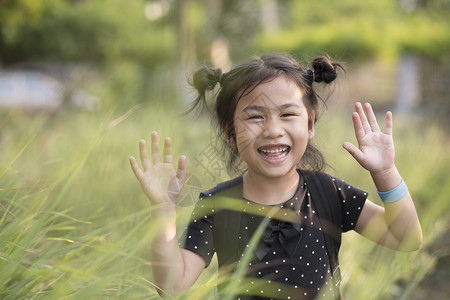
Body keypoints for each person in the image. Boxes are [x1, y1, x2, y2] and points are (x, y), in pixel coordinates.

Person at [129, 53, 422, 299]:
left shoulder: (328, 193)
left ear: (310, 123)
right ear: (230, 132)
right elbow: (171, 286)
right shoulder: (217, 206)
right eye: (255, 116)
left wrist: (385, 173)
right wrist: (164, 209)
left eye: (287, 114)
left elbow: (406, 237)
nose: (272, 130)